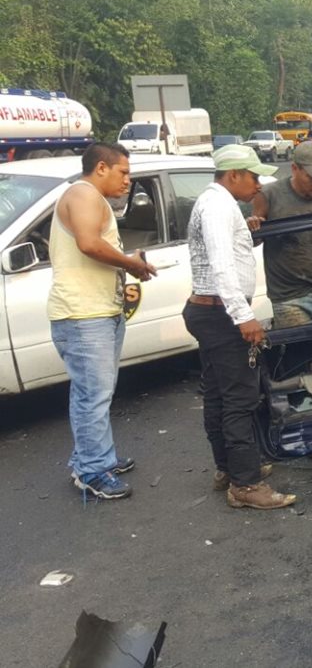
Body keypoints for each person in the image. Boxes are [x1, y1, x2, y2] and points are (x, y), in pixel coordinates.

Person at [183, 144, 295, 510]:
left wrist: (242, 230)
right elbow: (220, 264)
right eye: (253, 177)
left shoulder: (219, 205)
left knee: (217, 391)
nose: (258, 186)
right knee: (241, 398)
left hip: (210, 311)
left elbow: (222, 249)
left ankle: (228, 469)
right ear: (233, 175)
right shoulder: (217, 206)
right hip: (220, 313)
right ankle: (244, 486)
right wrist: (242, 316)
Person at [48, 142, 157, 499]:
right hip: (82, 315)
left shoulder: (92, 199)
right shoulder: (83, 195)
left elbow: (96, 247)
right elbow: (89, 244)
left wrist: (129, 259)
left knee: (96, 393)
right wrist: (132, 264)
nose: (128, 180)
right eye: (123, 172)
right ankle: (93, 472)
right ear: (100, 168)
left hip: (98, 311)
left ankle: (95, 457)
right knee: (92, 395)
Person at [249, 140, 312, 328]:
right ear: (295, 169)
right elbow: (253, 239)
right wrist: (253, 226)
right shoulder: (269, 195)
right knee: (302, 352)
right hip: (289, 297)